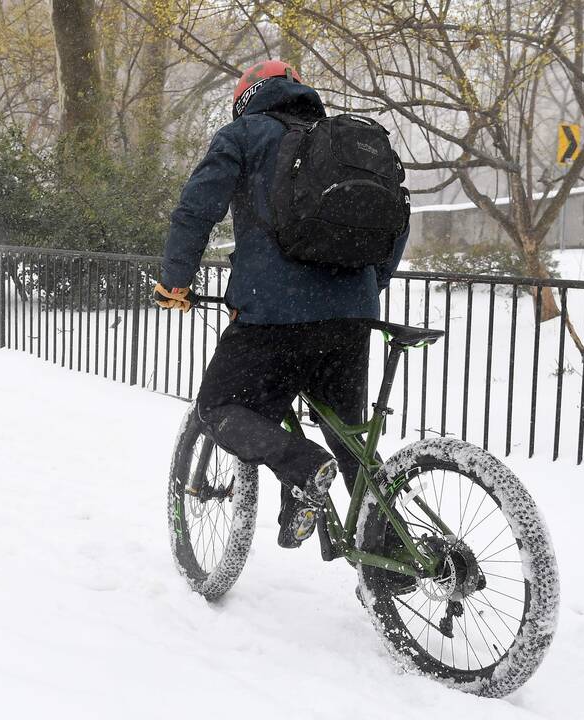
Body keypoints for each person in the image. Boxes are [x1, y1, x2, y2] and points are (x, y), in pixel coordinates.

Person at [154, 61, 409, 548]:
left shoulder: (244, 134)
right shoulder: (345, 143)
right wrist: (363, 290)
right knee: (349, 434)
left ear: (246, 97)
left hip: (273, 313)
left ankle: (304, 468)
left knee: (219, 407)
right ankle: (390, 553)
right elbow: (398, 222)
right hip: (351, 316)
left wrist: (176, 281)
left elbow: (195, 209)